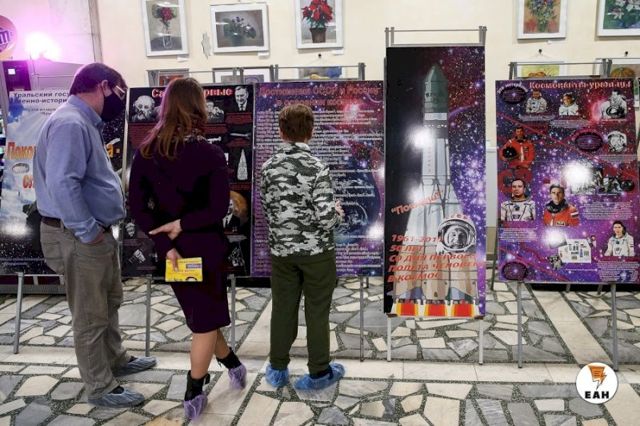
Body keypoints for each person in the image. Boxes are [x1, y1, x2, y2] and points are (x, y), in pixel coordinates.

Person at [33, 63, 156, 408]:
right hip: (78, 236)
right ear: (103, 86)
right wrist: (88, 231)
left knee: (109, 301)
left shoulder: (83, 122)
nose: (121, 100)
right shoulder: (70, 123)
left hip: (92, 233)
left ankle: (116, 359)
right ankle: (100, 386)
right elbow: (63, 183)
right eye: (120, 92)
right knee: (90, 315)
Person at [128, 78, 246, 420]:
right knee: (204, 321)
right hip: (205, 249)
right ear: (198, 107)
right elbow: (218, 207)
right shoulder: (209, 153)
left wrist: (167, 242)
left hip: (174, 254)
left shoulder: (146, 152)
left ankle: (232, 364)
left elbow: (138, 207)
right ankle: (194, 389)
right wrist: (183, 225)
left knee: (203, 315)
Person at [260, 103, 345, 390]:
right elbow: (326, 218)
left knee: (283, 308)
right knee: (317, 311)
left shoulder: (268, 167)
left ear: (281, 131)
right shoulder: (317, 168)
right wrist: (337, 213)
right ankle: (319, 372)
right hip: (316, 253)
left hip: (282, 253)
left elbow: (268, 210)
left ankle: (277, 368)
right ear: (311, 131)